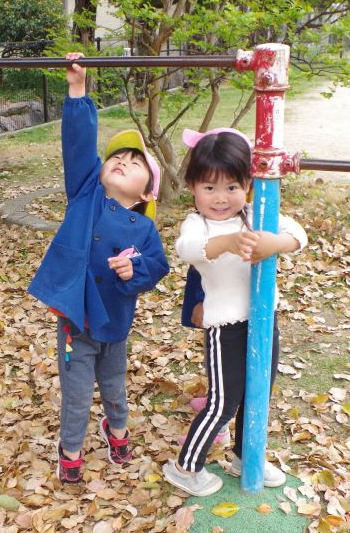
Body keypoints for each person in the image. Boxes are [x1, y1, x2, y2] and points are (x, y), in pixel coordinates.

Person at [28, 52, 170, 485]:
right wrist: (77, 91)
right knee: (76, 393)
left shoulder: (144, 227)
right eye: (118, 156)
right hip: (77, 320)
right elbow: (78, 143)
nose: (123, 160)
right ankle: (70, 450)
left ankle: (118, 429)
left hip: (117, 323)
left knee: (114, 385)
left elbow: (158, 266)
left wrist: (135, 272)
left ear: (146, 190)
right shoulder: (86, 191)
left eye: (136, 162)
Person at [162, 128, 307, 497]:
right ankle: (185, 467)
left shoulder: (255, 215)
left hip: (263, 321)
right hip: (224, 328)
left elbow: (298, 233)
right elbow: (190, 248)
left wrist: (276, 242)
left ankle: (247, 454)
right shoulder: (199, 223)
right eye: (209, 188)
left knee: (259, 391)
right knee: (223, 402)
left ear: (248, 185)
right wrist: (228, 242)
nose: (221, 198)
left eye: (231, 186)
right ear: (193, 187)